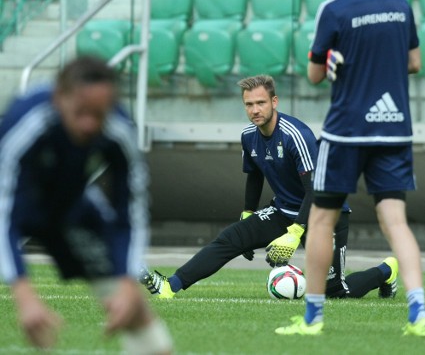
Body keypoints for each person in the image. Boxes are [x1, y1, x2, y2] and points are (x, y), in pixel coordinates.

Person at [275, 0, 425, 337]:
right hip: (394, 129)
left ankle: (312, 319)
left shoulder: (334, 9)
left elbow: (314, 74)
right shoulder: (399, 4)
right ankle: (419, 313)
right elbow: (415, 63)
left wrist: (333, 62)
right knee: (396, 222)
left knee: (320, 221)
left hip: (346, 132)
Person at [140, 74, 399, 301]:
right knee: (232, 238)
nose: (255, 110)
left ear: (274, 102)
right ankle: (169, 286)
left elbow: (316, 189)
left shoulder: (295, 135)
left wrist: (296, 232)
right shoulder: (248, 135)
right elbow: (254, 175)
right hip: (283, 210)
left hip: (324, 213)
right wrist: (248, 213)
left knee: (334, 291)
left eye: (260, 103)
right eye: (249, 104)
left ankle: (387, 270)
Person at [0, 56, 173, 354]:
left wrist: (128, 283)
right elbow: (4, 213)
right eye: (80, 112)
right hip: (15, 205)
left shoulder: (118, 130)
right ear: (59, 99)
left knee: (133, 308)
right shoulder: (26, 121)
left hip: (70, 210)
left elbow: (130, 212)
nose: (89, 124)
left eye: (98, 114)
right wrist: (24, 294)